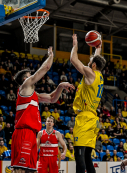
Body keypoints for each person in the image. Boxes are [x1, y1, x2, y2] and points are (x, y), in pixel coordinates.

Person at [11, 47, 74, 172]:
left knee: (30, 169)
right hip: (23, 132)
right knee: (20, 169)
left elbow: (52, 98)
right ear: (25, 79)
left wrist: (60, 86)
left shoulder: (34, 95)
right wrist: (50, 56)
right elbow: (44, 69)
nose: (32, 77)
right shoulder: (24, 87)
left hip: (31, 133)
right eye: (29, 76)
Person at [71, 34, 106, 173]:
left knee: (79, 155)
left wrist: (75, 44)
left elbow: (73, 60)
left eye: (91, 62)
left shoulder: (90, 74)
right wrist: (99, 47)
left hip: (85, 118)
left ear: (94, 65)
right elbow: (96, 59)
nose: (89, 63)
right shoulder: (99, 75)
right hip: (93, 119)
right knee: (87, 157)